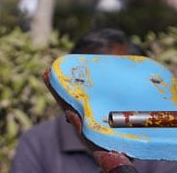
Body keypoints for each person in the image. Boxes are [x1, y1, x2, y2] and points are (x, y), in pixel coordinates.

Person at [10, 28, 177, 173]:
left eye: (120, 82)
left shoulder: (161, 135)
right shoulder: (38, 142)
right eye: (95, 82)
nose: (110, 93)